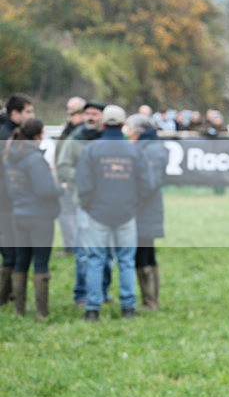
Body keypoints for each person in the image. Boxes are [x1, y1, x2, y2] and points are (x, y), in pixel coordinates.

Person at [76, 105, 154, 321]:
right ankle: (128, 307)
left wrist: (90, 206)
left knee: (95, 259)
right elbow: (147, 184)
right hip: (126, 213)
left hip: (98, 213)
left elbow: (83, 184)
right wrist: (133, 204)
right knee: (126, 261)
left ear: (103, 123)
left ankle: (93, 308)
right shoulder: (134, 150)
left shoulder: (92, 149)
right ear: (122, 125)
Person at [3, 119, 63, 319]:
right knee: (41, 263)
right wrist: (59, 189)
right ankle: (41, 311)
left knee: (21, 262)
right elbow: (45, 190)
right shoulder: (34, 159)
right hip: (40, 216)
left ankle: (19, 309)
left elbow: (11, 188)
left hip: (18, 214)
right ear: (38, 135)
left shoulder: (11, 156)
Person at [57, 100, 113, 306]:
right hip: (84, 203)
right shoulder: (76, 139)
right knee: (84, 251)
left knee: (107, 252)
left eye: (95, 114)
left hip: (107, 204)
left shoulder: (110, 139)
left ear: (103, 118)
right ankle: (81, 293)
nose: (90, 117)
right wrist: (85, 178)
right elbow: (62, 167)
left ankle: (103, 291)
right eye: (88, 113)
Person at [125, 114, 168, 310]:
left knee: (144, 254)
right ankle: (150, 298)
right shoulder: (149, 147)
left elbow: (149, 183)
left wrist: (131, 199)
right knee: (145, 252)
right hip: (145, 209)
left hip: (145, 210)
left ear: (138, 131)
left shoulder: (151, 150)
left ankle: (150, 300)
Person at [0, 93, 35, 307]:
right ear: (15, 114)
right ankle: (5, 297)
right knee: (11, 252)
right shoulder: (6, 135)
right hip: (6, 202)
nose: (32, 115)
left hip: (10, 201)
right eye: (28, 112)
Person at [55, 96, 86, 255]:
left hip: (73, 179)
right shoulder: (69, 129)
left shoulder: (81, 133)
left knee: (70, 213)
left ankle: (73, 247)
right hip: (65, 176)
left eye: (72, 110)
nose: (69, 113)